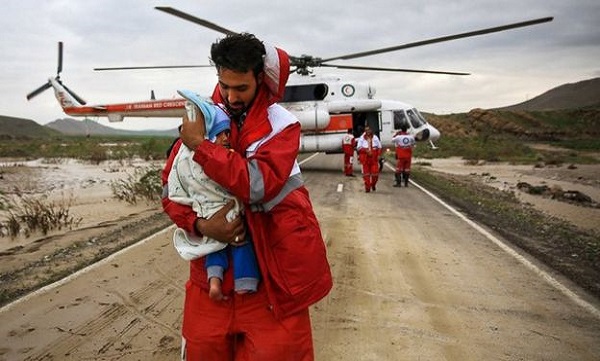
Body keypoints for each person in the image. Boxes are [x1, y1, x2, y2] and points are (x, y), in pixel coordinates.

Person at [161, 32, 332, 360]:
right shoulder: (201, 120)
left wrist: (201, 146)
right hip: (211, 284)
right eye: (224, 86)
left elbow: (257, 185)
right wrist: (200, 225)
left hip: (272, 283)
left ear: (261, 79)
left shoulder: (282, 127)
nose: (231, 96)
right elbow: (171, 191)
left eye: (241, 88)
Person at [168, 90, 259, 301]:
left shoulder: (186, 156)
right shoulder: (189, 150)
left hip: (209, 216)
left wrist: (204, 226)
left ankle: (214, 281)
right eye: (221, 133)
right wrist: (200, 225)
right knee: (240, 244)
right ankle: (245, 282)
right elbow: (169, 196)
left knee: (213, 250)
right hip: (227, 217)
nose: (227, 138)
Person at [356, 125, 382, 192]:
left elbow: (379, 147)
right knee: (366, 175)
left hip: (374, 158)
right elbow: (358, 148)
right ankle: (367, 188)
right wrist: (366, 151)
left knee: (375, 175)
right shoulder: (362, 138)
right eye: (366, 130)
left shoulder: (375, 137)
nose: (367, 131)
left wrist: (379, 155)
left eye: (368, 130)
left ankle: (373, 185)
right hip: (365, 158)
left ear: (371, 130)